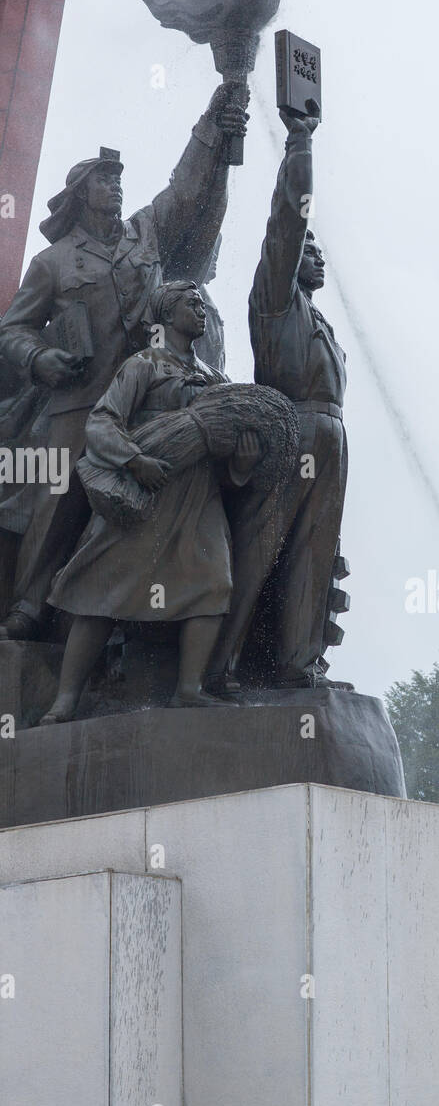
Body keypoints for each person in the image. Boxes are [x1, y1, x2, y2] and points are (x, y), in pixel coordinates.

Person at [0, 83, 247, 642]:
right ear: (80, 194)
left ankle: (138, 630)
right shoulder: (53, 262)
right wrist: (40, 357)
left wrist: (213, 123)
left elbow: (184, 190)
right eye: (103, 180)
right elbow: (12, 329)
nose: (114, 186)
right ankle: (28, 607)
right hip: (78, 399)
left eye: (116, 180)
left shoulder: (146, 233)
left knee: (151, 504)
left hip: (145, 398)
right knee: (57, 500)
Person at [39, 281, 261, 724]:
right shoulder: (144, 364)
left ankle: (189, 688)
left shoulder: (216, 381)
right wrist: (134, 459)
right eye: (190, 303)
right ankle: (65, 701)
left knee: (214, 580)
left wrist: (243, 461)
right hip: (144, 492)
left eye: (202, 304)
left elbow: (226, 452)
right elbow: (102, 422)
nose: (201, 311)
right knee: (101, 588)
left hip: (198, 495)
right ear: (166, 314)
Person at [206, 106, 349, 691]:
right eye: (307, 248)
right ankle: (217, 664)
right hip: (291, 429)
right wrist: (300, 145)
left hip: (331, 436)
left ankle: (298, 663)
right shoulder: (274, 299)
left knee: (313, 553)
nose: (314, 253)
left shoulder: (321, 323)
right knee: (259, 547)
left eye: (318, 249)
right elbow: (287, 221)